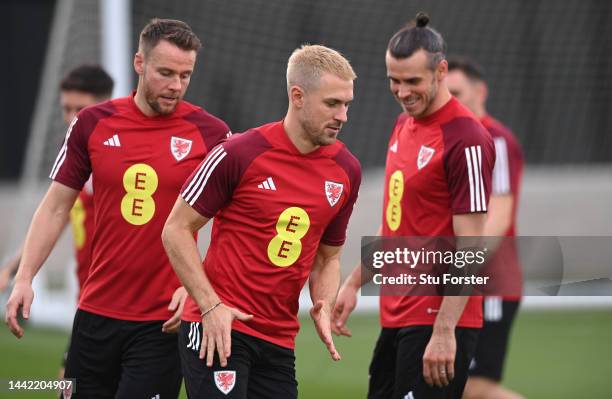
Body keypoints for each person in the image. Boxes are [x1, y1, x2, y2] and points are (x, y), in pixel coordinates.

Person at [5, 18, 231, 398]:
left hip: (163, 322)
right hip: (94, 314)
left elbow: (234, 221)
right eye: (165, 73)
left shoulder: (211, 133)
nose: (176, 85)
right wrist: (25, 276)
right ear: (139, 64)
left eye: (185, 75)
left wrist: (198, 287)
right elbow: (57, 206)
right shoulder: (92, 124)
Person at [162, 44, 361, 398]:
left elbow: (328, 258)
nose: (343, 115)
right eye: (332, 103)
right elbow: (176, 229)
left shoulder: (346, 170)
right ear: (297, 96)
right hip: (219, 328)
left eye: (347, 104)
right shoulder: (238, 152)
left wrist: (324, 303)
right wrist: (210, 305)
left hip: (279, 339)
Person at [332, 13, 495, 399]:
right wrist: (355, 281)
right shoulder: (402, 126)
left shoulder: (466, 138)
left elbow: (473, 248)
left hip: (437, 321)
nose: (402, 92)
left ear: (440, 71)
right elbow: (400, 228)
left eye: (413, 81)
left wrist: (444, 330)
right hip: (398, 315)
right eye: (394, 80)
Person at [447, 57, 525, 399]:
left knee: (475, 389)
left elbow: (499, 215)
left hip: (490, 283)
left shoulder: (497, 140)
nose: (450, 100)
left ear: (481, 91)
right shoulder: (451, 139)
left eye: (456, 92)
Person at [0, 65, 114, 297]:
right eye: (67, 109)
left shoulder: (119, 159)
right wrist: (15, 268)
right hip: (88, 293)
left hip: (119, 296)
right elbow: (57, 214)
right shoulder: (74, 154)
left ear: (105, 105)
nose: (73, 118)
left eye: (81, 109)